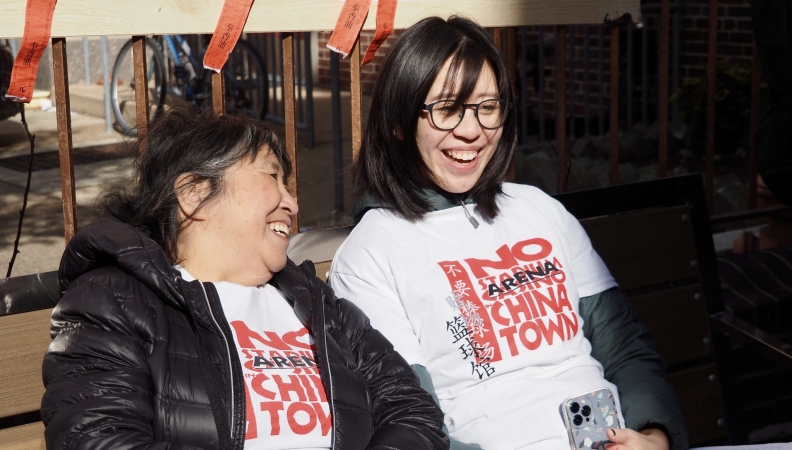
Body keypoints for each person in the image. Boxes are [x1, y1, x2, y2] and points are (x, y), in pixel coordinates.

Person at [329, 16, 687, 450]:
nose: (471, 130)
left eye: (488, 106)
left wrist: (655, 435)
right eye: (446, 109)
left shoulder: (538, 208)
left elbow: (624, 345)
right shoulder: (372, 251)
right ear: (400, 121)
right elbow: (406, 416)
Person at [40, 107, 449, 450]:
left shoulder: (311, 300)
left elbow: (411, 407)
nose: (291, 203)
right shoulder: (113, 302)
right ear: (194, 194)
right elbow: (96, 438)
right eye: (272, 177)